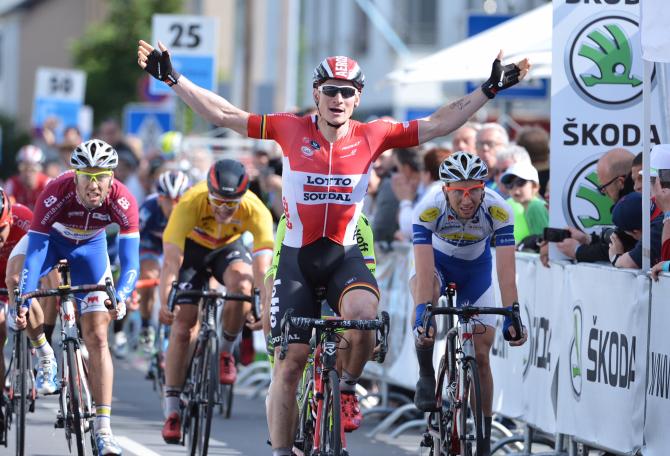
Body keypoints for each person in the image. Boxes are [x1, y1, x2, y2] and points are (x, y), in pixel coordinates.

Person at [138, 39, 529, 455]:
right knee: (290, 365)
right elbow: (226, 114)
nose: (338, 98)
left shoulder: (373, 135)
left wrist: (487, 90)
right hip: (297, 259)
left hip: (343, 254)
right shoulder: (290, 128)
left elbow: (436, 123)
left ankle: (345, 388)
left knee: (362, 321)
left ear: (358, 98)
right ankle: (282, 450)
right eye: (331, 90)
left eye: (347, 91)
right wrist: (173, 80)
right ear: (316, 95)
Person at [17, 139, 139, 456]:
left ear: (113, 177)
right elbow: (34, 253)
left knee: (98, 335)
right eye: (87, 175)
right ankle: (44, 354)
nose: (94, 183)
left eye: (102, 175)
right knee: (20, 283)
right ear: (75, 175)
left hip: (91, 251)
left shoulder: (123, 201)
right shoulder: (56, 192)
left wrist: (121, 295)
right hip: (51, 243)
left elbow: (131, 261)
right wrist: (24, 298)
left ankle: (103, 430)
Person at [411, 152, 527, 455]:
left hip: (476, 272)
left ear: (483, 188)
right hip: (436, 266)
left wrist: (513, 314)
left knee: (482, 353)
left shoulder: (498, 210)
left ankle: (484, 438)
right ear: (445, 190)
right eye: (458, 191)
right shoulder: (427, 209)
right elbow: (423, 274)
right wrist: (424, 310)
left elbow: (506, 274)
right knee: (424, 301)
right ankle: (426, 373)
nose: (467, 199)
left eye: (474, 190)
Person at [158, 159, 274, 444]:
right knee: (184, 325)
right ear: (208, 192)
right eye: (217, 202)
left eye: (230, 205)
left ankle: (225, 351)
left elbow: (262, 268)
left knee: (243, 286)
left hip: (227, 250)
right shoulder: (190, 202)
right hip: (192, 252)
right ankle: (172, 409)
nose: (223, 210)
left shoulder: (255, 209)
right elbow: (172, 259)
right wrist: (165, 298)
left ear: (242, 197)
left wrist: (264, 304)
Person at [136, 170, 191, 352]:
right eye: (168, 200)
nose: (174, 206)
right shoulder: (148, 209)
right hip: (152, 245)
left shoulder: (191, 209)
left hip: (178, 246)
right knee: (149, 275)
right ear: (160, 198)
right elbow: (132, 240)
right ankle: (146, 325)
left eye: (178, 200)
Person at [556, 147, 635, 262]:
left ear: (620, 182)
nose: (604, 193)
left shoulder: (631, 205)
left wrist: (577, 251)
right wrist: (587, 239)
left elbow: (620, 245)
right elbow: (619, 239)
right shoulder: (634, 201)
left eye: (603, 187)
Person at [0, 189, 33, 406]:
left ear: (10, 218)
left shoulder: (25, 220)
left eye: (1, 229)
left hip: (22, 277)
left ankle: (37, 350)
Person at [500, 161, 548, 250]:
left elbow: (544, 245)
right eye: (509, 185)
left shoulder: (535, 207)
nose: (515, 189)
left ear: (534, 186)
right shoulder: (532, 207)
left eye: (520, 182)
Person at [608, 192, 663, 268]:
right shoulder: (664, 206)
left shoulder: (658, 228)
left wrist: (616, 258)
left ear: (635, 232)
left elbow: (632, 261)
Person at [5, 145, 50, 210]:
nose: (28, 173)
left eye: (33, 168)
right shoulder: (12, 184)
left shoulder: (47, 184)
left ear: (40, 169)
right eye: (24, 168)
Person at [475, 122, 509, 190]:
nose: (485, 148)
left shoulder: (513, 180)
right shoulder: (470, 179)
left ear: (504, 146)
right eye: (480, 144)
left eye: (491, 143)